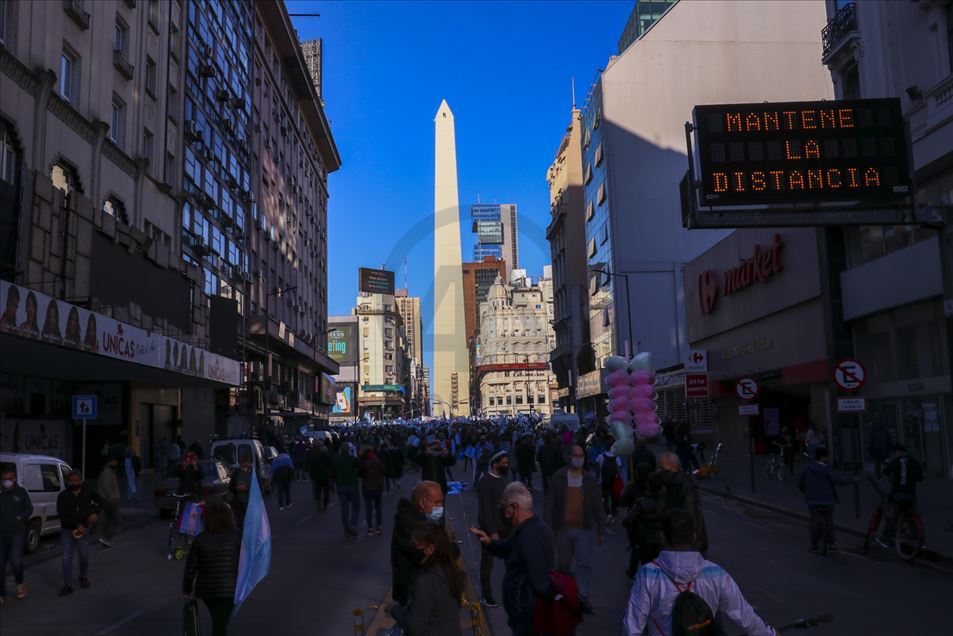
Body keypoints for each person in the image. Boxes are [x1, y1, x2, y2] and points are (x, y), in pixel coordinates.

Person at [622, 509, 779, 636]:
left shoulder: (647, 575)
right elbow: (745, 617)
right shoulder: (717, 574)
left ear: (664, 537)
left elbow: (632, 626)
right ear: (694, 536)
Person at [469, 482, 555, 636]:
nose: (500, 510)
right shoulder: (525, 529)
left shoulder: (530, 536)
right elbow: (506, 548)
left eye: (503, 505)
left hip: (528, 622)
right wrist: (489, 542)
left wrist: (523, 620)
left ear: (514, 508)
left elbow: (540, 583)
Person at [544, 444, 605, 615]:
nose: (578, 459)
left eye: (581, 455)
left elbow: (597, 506)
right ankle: (563, 596)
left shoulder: (589, 479)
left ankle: (583, 598)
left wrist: (601, 530)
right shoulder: (559, 478)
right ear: (569, 457)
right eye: (575, 455)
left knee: (584, 564)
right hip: (562, 530)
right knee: (563, 565)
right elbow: (549, 505)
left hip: (584, 530)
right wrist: (547, 528)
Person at [388, 521, 466, 636]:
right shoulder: (451, 571)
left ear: (430, 549)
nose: (411, 548)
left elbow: (414, 627)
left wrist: (394, 609)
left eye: (415, 545)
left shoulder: (426, 580)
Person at [183, 501, 242, 636]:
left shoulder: (200, 539)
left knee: (219, 620)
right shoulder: (237, 536)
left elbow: (190, 568)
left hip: (206, 591)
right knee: (220, 624)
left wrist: (186, 589)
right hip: (229, 590)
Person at [391, 480, 444, 605]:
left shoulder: (422, 519)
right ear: (422, 502)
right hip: (412, 591)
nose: (441, 507)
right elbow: (431, 553)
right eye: (437, 502)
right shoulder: (411, 524)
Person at [797, 447, 853, 553]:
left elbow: (800, 483)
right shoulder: (827, 469)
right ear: (823, 457)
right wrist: (851, 480)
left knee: (814, 521)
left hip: (813, 500)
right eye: (827, 456)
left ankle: (814, 543)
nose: (828, 458)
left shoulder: (807, 468)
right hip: (828, 500)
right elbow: (838, 480)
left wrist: (805, 491)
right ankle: (831, 543)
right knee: (829, 521)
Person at [56, 470, 99, 596]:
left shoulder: (87, 492)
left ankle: (83, 576)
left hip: (84, 529)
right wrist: (76, 525)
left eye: (76, 481)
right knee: (66, 557)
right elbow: (62, 515)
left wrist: (95, 513)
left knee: (84, 555)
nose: (73, 483)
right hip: (67, 530)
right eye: (71, 481)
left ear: (80, 481)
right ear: (67, 482)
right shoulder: (62, 496)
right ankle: (67, 584)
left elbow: (101, 502)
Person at [476, 450, 510, 608]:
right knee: (487, 563)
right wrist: (493, 532)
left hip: (506, 528)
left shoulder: (503, 478)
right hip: (490, 530)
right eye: (503, 463)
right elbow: (485, 510)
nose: (506, 465)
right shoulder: (485, 482)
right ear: (495, 464)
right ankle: (486, 594)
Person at [655, 452, 708, 554]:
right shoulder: (666, 485)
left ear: (673, 468)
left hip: (686, 547)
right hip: (675, 545)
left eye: (661, 468)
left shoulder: (684, 486)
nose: (658, 471)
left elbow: (692, 518)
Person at [878, 443, 924, 547]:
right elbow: (920, 477)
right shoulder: (914, 461)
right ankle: (919, 539)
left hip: (899, 493)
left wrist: (888, 464)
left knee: (893, 516)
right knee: (913, 515)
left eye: (894, 453)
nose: (894, 455)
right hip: (911, 494)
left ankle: (887, 539)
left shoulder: (896, 461)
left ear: (897, 451)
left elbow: (886, 471)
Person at [0, 466, 33, 603]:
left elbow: (29, 508)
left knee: (15, 561)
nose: (7, 481)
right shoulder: (0, 493)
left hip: (16, 534)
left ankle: (20, 584)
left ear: (14, 479)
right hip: (1, 534)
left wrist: (21, 517)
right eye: (4, 479)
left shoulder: (21, 492)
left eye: (9, 479)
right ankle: (2, 594)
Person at [332, 444, 361, 536]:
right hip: (352, 485)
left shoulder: (336, 459)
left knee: (344, 509)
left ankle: (346, 529)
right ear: (349, 449)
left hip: (341, 486)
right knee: (356, 507)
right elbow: (360, 466)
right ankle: (353, 525)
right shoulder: (353, 459)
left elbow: (332, 473)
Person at [96, 455, 122, 548]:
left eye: (115, 461)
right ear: (108, 463)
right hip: (108, 501)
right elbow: (107, 488)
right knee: (116, 519)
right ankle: (105, 538)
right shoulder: (107, 473)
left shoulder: (110, 472)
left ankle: (104, 538)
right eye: (113, 462)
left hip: (107, 500)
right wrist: (113, 498)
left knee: (109, 519)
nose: (115, 464)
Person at [359, 449, 386, 535]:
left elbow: (359, 473)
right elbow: (384, 471)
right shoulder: (378, 462)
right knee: (378, 508)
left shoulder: (364, 463)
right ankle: (379, 527)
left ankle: (370, 528)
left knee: (368, 509)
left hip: (367, 488)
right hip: (378, 488)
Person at [595, 446, 623, 522]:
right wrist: (619, 479)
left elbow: (597, 469)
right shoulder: (616, 457)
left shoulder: (600, 456)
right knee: (614, 497)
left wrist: (598, 480)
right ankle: (613, 514)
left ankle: (607, 514)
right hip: (613, 480)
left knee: (605, 497)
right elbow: (619, 470)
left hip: (604, 480)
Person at [307, 443, 333, 511]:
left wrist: (312, 474)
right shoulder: (328, 457)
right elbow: (331, 467)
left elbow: (312, 466)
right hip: (326, 477)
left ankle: (318, 501)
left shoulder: (316, 457)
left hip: (317, 476)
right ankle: (325, 505)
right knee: (326, 491)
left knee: (317, 490)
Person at [229, 457, 253, 528]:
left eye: (246, 461)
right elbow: (231, 487)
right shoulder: (236, 474)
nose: (245, 463)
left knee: (251, 522)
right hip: (239, 502)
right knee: (240, 522)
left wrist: (247, 488)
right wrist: (237, 488)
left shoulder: (253, 473)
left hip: (250, 502)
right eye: (243, 461)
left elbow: (258, 487)